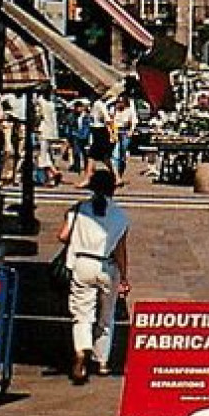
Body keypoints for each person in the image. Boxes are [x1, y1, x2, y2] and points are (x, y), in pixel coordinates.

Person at [57, 169, 131, 385]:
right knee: (107, 315)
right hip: (107, 266)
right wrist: (124, 277)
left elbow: (62, 236)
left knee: (82, 312)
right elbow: (120, 250)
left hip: (82, 263)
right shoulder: (120, 216)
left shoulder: (79, 209)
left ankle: (81, 351)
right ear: (113, 190)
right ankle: (102, 361)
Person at [110, 95, 137, 182]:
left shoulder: (129, 110)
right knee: (115, 154)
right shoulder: (113, 110)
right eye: (118, 102)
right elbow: (110, 121)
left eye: (121, 102)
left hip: (125, 132)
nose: (119, 104)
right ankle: (115, 175)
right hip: (116, 131)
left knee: (123, 154)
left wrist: (131, 131)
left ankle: (120, 172)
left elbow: (133, 121)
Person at [67, 99, 91, 176]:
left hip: (84, 136)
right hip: (76, 136)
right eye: (77, 107)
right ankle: (77, 167)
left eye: (80, 107)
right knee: (76, 152)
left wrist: (87, 136)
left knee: (85, 153)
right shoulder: (72, 116)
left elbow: (88, 127)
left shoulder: (87, 116)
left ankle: (86, 167)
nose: (78, 109)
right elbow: (70, 126)